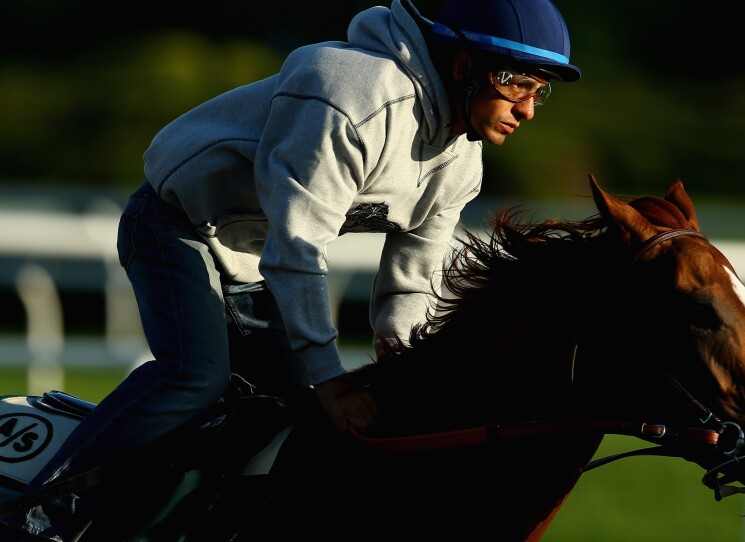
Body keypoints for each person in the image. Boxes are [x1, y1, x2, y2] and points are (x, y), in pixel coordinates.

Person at [6, 0, 581, 539]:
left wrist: (404, 377)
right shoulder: (355, 96)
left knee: (298, 415)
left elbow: (409, 284)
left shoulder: (461, 161)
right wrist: (329, 379)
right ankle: (39, 519)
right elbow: (297, 248)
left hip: (255, 256)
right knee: (196, 377)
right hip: (176, 223)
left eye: (540, 90)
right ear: (463, 67)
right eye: (517, 82)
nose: (527, 108)